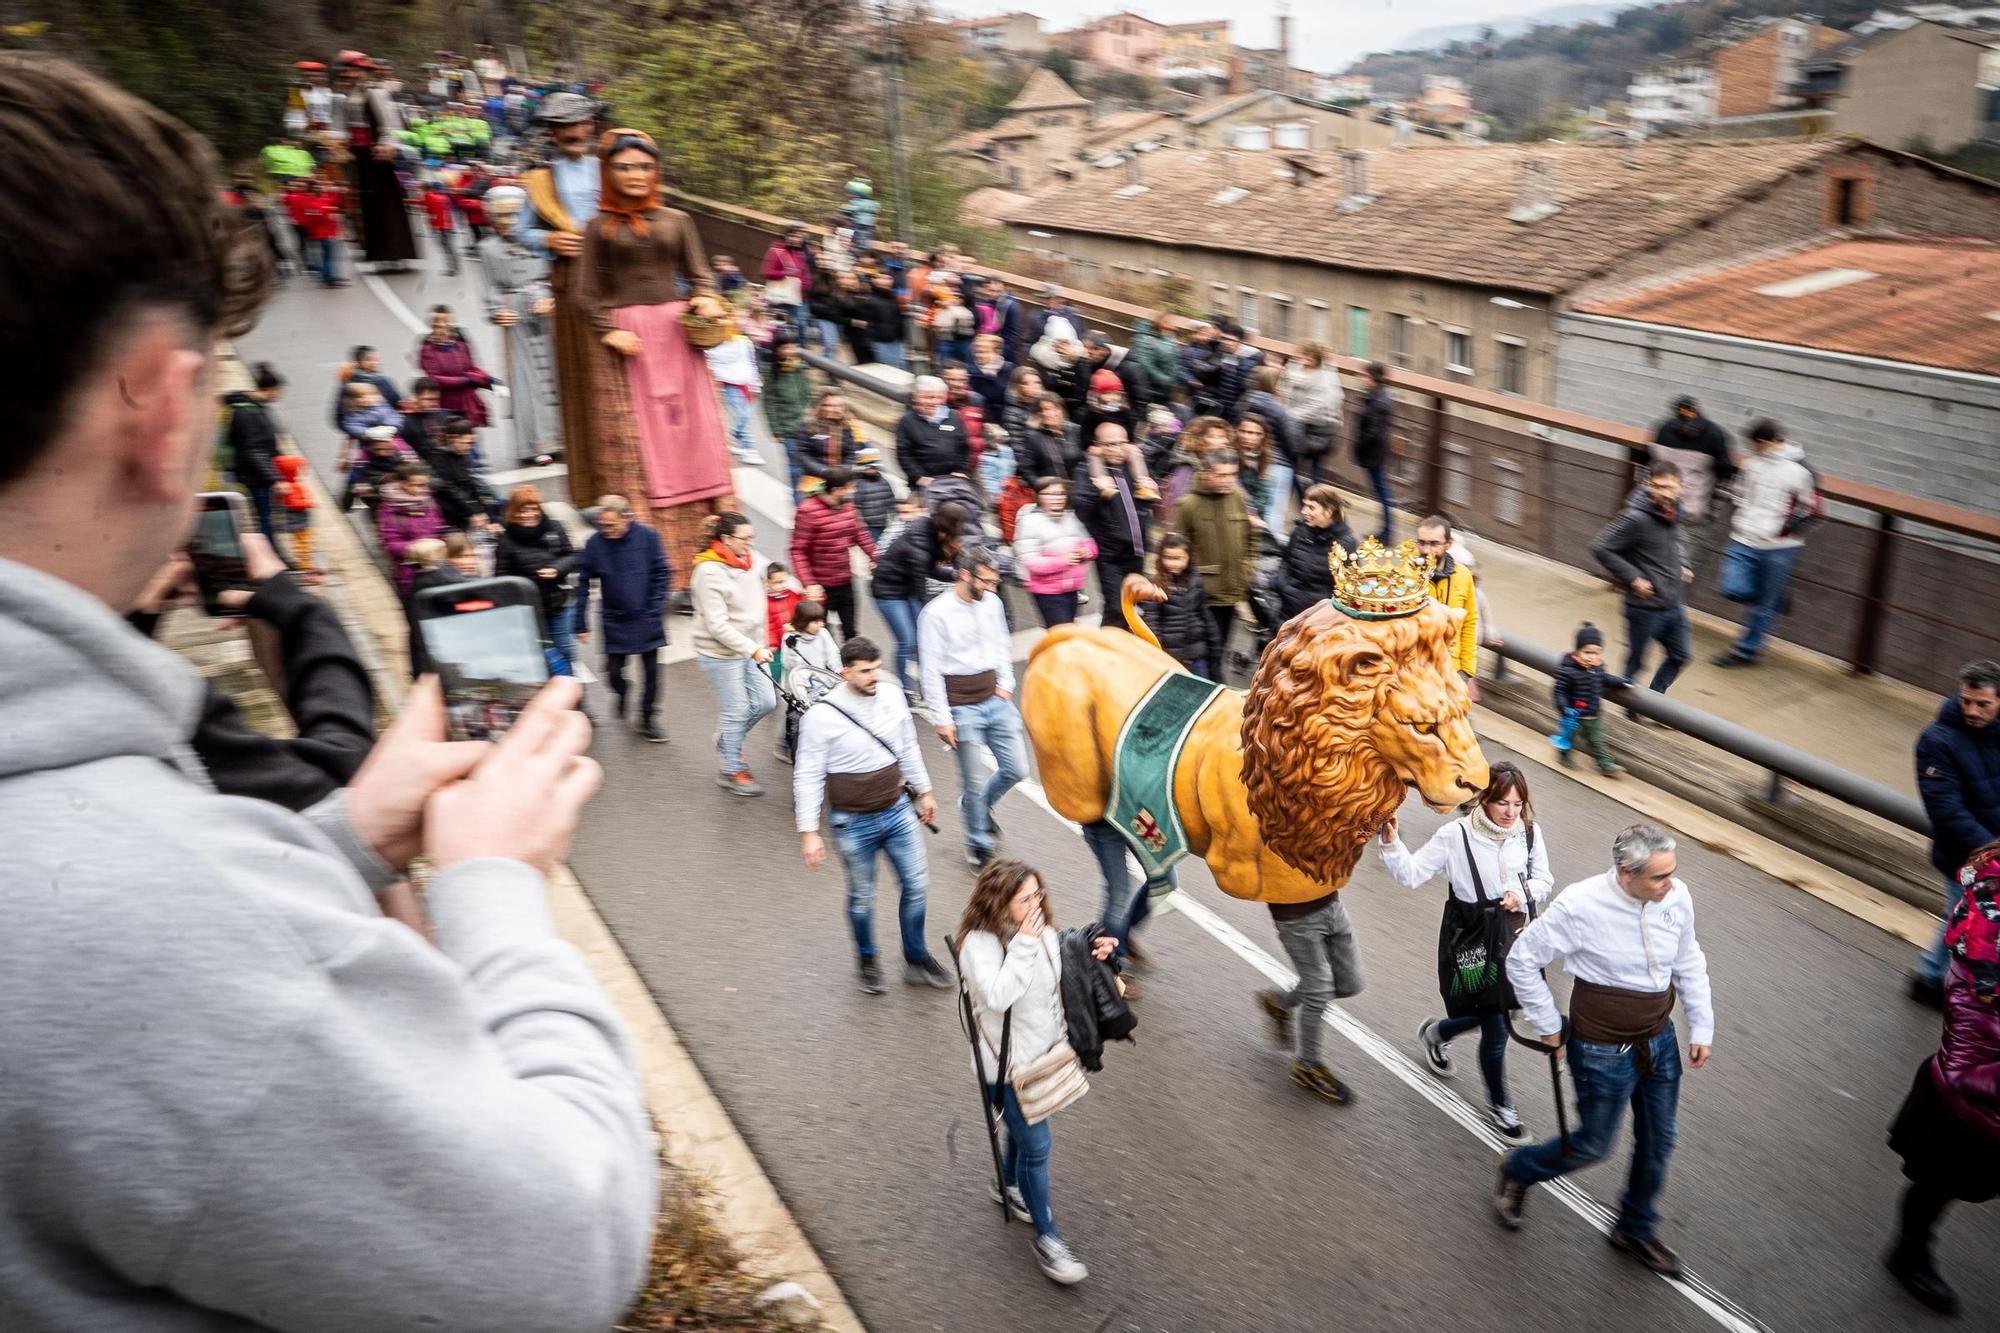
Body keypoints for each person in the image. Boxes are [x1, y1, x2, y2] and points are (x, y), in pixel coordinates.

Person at [0, 53, 655, 1325]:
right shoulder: (147, 921)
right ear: (161, 403)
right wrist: (493, 892)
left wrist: (344, 839)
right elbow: (556, 1253)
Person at [1495, 823, 1715, 1279]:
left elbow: (1688, 958)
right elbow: (1521, 960)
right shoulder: (1580, 905)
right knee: (1594, 1145)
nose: (1669, 884)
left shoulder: (1676, 896)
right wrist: (1547, 1023)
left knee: (1660, 1139)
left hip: (1659, 1041)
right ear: (1625, 872)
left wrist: (1702, 1025)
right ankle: (1520, 1168)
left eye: (1671, 872)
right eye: (1658, 877)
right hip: (1600, 1052)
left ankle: (1634, 1227)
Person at [574, 129, 737, 602]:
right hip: (631, 343)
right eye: (624, 167)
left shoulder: (677, 220)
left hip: (677, 335)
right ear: (608, 172)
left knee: (695, 440)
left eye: (644, 167)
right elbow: (585, 293)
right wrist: (608, 329)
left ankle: (708, 562)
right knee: (644, 452)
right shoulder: (596, 228)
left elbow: (701, 275)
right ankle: (656, 574)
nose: (635, 176)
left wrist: (706, 298)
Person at [955, 860, 1116, 1285]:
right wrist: (1026, 942)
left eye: (1037, 895)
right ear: (998, 903)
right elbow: (998, 996)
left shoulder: (1039, 931)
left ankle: (1007, 1184)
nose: (1035, 905)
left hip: (1044, 1057)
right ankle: (1048, 1239)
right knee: (1038, 1145)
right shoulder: (977, 944)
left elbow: (1061, 957)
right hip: (1007, 1067)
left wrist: (1095, 950)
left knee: (1023, 1132)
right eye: (1024, 899)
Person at [1378, 763, 1554, 1137]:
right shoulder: (1455, 836)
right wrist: (1391, 842)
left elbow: (1544, 880)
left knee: (1499, 1012)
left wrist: (1519, 894)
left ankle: (1438, 1033)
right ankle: (1501, 1104)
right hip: (1472, 936)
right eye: (1503, 803)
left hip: (1514, 938)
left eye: (1518, 803)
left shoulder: (1528, 831)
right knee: (1497, 1025)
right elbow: (1410, 875)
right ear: (1485, 798)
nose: (1511, 812)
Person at [796, 634, 950, 992]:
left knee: (916, 885)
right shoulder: (821, 716)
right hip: (852, 823)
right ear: (845, 672)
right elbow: (808, 774)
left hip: (897, 811)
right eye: (865, 671)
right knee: (862, 896)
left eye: (876, 669)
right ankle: (867, 958)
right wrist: (809, 832)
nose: (873, 677)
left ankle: (916, 958)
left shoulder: (893, 695)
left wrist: (924, 791)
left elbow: (908, 745)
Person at [1885, 837, 2000, 1315]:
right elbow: (1976, 1042)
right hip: (1970, 1101)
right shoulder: (1987, 925)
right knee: (1938, 1186)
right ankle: (1908, 1255)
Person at [520, 91, 605, 497]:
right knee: (580, 370)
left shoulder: (610, 168)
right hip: (571, 278)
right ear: (553, 134)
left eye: (581, 124)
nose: (574, 132)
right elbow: (521, 231)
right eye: (565, 127)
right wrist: (549, 238)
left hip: (615, 271)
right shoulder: (541, 180)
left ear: (591, 127)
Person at [920, 548, 1025, 870]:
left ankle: (975, 807)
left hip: (996, 699)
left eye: (996, 581)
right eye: (988, 581)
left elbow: (1000, 644)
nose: (993, 588)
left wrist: (1006, 685)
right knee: (974, 780)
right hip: (961, 707)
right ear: (965, 575)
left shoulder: (991, 603)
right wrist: (942, 718)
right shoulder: (936, 615)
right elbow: (931, 670)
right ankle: (978, 842)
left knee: (1017, 768)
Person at [1910, 660, 2000, 1006]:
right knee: (1962, 917)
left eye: (1982, 704)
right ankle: (1933, 978)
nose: (1972, 710)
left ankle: (1934, 976)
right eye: (1966, 701)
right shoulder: (1938, 741)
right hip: (1966, 854)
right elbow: (1945, 808)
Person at [1714, 418, 1816, 668]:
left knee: (1763, 608)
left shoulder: (1799, 471)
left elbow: (1809, 506)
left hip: (1778, 546)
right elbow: (1738, 494)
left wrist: (1784, 529)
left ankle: (1745, 652)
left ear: (1760, 442)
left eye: (1752, 444)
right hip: (1743, 537)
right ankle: (1773, 598)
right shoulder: (1750, 466)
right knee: (1732, 588)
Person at [1591, 461, 1694, 705]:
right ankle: (1628, 711)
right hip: (1644, 608)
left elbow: (1675, 541)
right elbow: (1600, 547)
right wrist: (1633, 578)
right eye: (1657, 486)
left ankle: (1654, 703)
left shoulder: (1674, 512)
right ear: (1648, 485)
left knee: (1680, 655)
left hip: (1672, 603)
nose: (1663, 493)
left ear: (1681, 487)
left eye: (1668, 487)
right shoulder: (1636, 518)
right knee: (1635, 665)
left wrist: (1683, 562)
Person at [692, 512, 778, 795]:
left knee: (766, 701)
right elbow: (717, 625)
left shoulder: (749, 563)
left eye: (752, 537)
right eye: (746, 538)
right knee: (736, 709)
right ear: (726, 539)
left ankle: (728, 738)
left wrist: (763, 643)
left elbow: (757, 608)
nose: (750, 543)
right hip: (720, 653)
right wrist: (752, 649)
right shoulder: (708, 573)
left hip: (751, 648)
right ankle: (731, 769)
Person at [477, 185, 563, 467]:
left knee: (559, 376)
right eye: (501, 215)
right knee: (527, 382)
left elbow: (561, 275)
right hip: (517, 316)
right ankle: (536, 443)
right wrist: (495, 311)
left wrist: (553, 296)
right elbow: (488, 287)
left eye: (514, 214)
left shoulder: (543, 240)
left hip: (550, 314)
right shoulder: (487, 248)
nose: (508, 221)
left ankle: (566, 438)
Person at [574, 495, 671, 741]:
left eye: (611, 525)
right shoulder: (595, 543)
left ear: (627, 518)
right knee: (613, 672)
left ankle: (648, 718)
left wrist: (655, 605)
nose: (606, 530)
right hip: (614, 618)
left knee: (652, 674)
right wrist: (580, 621)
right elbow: (583, 581)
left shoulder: (648, 536)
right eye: (602, 525)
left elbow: (663, 571)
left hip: (646, 615)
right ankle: (623, 690)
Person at [334, 52, 419, 269]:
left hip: (377, 154)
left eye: (354, 70)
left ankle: (396, 253)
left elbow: (390, 124)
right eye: (348, 71)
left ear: (364, 72)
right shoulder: (349, 95)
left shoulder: (377, 93)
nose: (350, 75)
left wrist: (388, 144)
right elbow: (346, 126)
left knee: (387, 204)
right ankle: (380, 254)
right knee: (368, 205)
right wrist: (341, 142)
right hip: (360, 156)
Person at [1172, 448, 1258, 660]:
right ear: (1207, 473)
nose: (1227, 481)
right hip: (1202, 597)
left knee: (1219, 650)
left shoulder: (1237, 496)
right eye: (1221, 475)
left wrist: (1245, 571)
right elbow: (1173, 548)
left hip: (1230, 596)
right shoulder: (1188, 505)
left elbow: (1249, 536)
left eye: (1232, 475)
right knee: (1202, 653)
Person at [1072, 423, 1154, 632]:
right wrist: (1097, 488)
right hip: (1110, 557)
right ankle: (1106, 650)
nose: (1116, 449)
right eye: (1109, 445)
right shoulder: (1087, 470)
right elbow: (1081, 507)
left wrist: (1151, 489)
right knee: (1118, 607)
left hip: (1136, 552)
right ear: (1097, 446)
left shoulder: (1133, 467)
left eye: (1121, 444)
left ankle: (1114, 648)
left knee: (1130, 606)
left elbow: (1143, 503)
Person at [1648, 395, 1737, 582]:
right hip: (1693, 515)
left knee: (1652, 567)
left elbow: (1651, 469)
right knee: (1681, 574)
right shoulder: (1715, 435)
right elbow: (1725, 478)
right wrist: (1711, 514)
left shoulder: (1662, 428)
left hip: (1658, 509)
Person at [492, 485, 579, 672]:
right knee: (540, 657)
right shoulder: (506, 541)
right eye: (522, 510)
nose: (528, 514)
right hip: (528, 610)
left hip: (557, 604)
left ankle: (572, 693)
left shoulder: (554, 528)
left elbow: (573, 556)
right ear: (513, 513)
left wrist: (557, 569)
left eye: (533, 509)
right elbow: (501, 579)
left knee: (565, 651)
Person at [789, 465, 877, 644]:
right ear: (836, 490)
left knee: (851, 632)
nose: (854, 491)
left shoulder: (847, 506)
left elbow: (860, 534)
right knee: (822, 636)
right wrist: (809, 584)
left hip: (845, 581)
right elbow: (798, 550)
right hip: (820, 587)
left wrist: (877, 557)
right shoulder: (808, 511)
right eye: (850, 487)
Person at [1013, 476, 1097, 629]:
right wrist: (1064, 561)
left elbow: (1089, 543)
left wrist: (1087, 551)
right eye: (1050, 494)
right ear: (1039, 496)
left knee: (1069, 631)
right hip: (1048, 592)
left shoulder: (1071, 517)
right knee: (1061, 634)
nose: (1057, 498)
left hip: (1072, 588)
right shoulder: (1030, 522)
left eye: (1060, 494)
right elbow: (1030, 561)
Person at [1549, 623, 1627, 775]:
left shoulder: (1598, 668)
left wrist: (1621, 682)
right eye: (1587, 652)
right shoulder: (1568, 670)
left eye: (1597, 652)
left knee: (1597, 741)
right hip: (1574, 716)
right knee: (1569, 738)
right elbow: (1560, 692)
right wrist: (1565, 708)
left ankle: (1605, 765)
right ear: (1577, 651)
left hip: (1594, 714)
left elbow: (1605, 679)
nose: (1592, 657)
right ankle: (1563, 755)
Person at [1140, 533, 1220, 678]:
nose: (1172, 563)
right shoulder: (1156, 586)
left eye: (1178, 558)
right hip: (1171, 657)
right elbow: (1152, 621)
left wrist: (1215, 643)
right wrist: (1159, 651)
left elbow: (1205, 615)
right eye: (1168, 558)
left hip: (1196, 654)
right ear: (1161, 558)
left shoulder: (1195, 581)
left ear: (1188, 558)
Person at [1275, 483, 1359, 621]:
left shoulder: (1345, 544)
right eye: (1304, 505)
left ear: (1329, 511)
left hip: (1317, 620)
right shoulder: (1299, 532)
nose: (1304, 511)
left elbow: (1347, 585)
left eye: (1311, 508)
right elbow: (1286, 561)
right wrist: (1282, 585)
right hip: (1286, 614)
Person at [1416, 515, 1479, 696]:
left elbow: (1470, 621)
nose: (1427, 549)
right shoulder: (1406, 575)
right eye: (1422, 543)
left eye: (1434, 543)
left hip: (1453, 671)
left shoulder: (1463, 575)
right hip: (1417, 673)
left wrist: (1467, 670)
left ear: (1448, 544)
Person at [224, 362, 286, 543]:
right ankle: (271, 555)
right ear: (272, 389)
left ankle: (275, 553)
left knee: (267, 518)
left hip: (258, 472)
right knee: (264, 519)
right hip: (256, 476)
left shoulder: (251, 406)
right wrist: (273, 479)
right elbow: (253, 449)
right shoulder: (248, 413)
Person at [1235, 365, 1296, 533]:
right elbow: (1290, 440)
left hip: (1247, 459)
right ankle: (1269, 547)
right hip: (1277, 462)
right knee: (1274, 512)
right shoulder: (1278, 408)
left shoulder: (1243, 402)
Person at [776, 599, 838, 762]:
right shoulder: (790, 638)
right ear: (803, 621)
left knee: (819, 713)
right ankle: (785, 743)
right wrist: (791, 649)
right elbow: (788, 664)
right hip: (797, 686)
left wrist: (838, 671)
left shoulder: (823, 634)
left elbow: (832, 654)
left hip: (819, 683)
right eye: (815, 622)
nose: (820, 625)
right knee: (795, 715)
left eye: (821, 620)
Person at [417, 305, 495, 430]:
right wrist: (464, 380)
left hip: (466, 404)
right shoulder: (427, 348)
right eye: (437, 327)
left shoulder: (461, 344)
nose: (440, 333)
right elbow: (433, 378)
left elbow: (472, 368)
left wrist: (487, 379)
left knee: (468, 441)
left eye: (445, 327)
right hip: (445, 405)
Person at [377, 462, 447, 595]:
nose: (424, 490)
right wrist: (417, 549)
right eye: (418, 485)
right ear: (403, 484)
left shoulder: (429, 501)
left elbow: (440, 527)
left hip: (439, 565)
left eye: (425, 485)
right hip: (411, 573)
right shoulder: (390, 508)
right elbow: (390, 544)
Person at [705, 314, 765, 466]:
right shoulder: (713, 345)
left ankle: (731, 437)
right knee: (742, 416)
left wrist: (755, 383)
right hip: (729, 383)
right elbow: (712, 363)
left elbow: (751, 363)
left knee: (745, 417)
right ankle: (749, 448)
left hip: (747, 382)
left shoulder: (744, 342)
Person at [1283, 340, 1343, 490]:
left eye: (1305, 356)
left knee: (1310, 468)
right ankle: (1307, 501)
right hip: (1300, 425)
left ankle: (1314, 502)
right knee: (1291, 467)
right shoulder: (1294, 370)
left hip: (1318, 427)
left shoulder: (1324, 377)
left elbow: (1320, 405)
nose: (1301, 359)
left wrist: (1289, 415)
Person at [789, 388, 868, 501]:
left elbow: (852, 452)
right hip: (814, 481)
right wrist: (824, 471)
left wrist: (842, 472)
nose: (836, 409)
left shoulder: (849, 426)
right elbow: (802, 454)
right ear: (820, 406)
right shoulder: (806, 425)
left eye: (839, 406)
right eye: (831, 405)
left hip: (841, 483)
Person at [895, 375, 970, 491]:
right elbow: (904, 454)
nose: (933, 402)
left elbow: (964, 447)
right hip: (924, 485)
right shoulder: (907, 421)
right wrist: (919, 477)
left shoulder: (954, 416)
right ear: (915, 398)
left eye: (937, 397)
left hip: (952, 482)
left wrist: (960, 470)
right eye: (927, 397)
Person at [430, 415, 495, 533]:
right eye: (466, 443)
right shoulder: (439, 458)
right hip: (452, 510)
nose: (470, 447)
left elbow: (474, 485)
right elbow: (451, 490)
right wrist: (474, 511)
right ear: (453, 439)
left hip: (467, 506)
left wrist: (483, 510)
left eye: (471, 443)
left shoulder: (463, 456)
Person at [1355, 361, 1395, 542]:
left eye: (1364, 376)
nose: (1360, 379)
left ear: (1373, 379)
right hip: (1375, 452)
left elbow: (1373, 432)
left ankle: (1387, 532)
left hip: (1374, 453)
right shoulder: (1376, 397)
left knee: (1382, 492)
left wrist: (1360, 446)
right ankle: (1386, 530)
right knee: (1381, 490)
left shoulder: (1378, 401)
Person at [284, 172, 346, 287]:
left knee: (323, 255)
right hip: (326, 233)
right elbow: (329, 216)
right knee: (328, 257)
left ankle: (325, 275)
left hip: (317, 232)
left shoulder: (311, 203)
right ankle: (328, 278)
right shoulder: (321, 204)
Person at [762, 339, 813, 466]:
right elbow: (769, 403)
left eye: (793, 347)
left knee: (810, 464)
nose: (790, 351)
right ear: (778, 351)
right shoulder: (772, 374)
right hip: (788, 429)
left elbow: (809, 395)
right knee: (795, 465)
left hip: (807, 427)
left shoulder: (800, 369)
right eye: (785, 348)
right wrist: (776, 430)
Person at [760, 223, 813, 340]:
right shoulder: (778, 250)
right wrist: (785, 273)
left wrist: (806, 287)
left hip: (799, 297)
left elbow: (804, 273)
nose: (795, 239)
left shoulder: (803, 252)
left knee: (800, 327)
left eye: (798, 236)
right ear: (786, 236)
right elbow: (766, 272)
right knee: (782, 327)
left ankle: (799, 354)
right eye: (792, 236)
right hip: (782, 296)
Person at [273, 452, 318, 578]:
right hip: (298, 522)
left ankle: (306, 565)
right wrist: (308, 503)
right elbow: (293, 503)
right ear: (290, 472)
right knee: (303, 545)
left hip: (299, 521)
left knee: (304, 544)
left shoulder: (289, 484)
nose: (301, 472)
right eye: (298, 470)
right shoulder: (289, 487)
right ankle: (306, 569)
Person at [861, 268, 906, 369]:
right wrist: (869, 342)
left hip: (897, 340)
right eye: (881, 278)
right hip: (881, 341)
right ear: (875, 280)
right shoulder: (870, 300)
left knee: (900, 366)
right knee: (888, 369)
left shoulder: (894, 298)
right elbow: (868, 323)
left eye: (888, 278)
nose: (885, 281)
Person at [852, 445, 898, 542]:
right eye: (869, 467)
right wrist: (859, 523)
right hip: (868, 526)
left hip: (883, 523)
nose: (872, 469)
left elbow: (890, 499)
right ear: (862, 467)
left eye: (874, 467)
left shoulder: (884, 481)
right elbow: (855, 505)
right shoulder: (858, 484)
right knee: (875, 550)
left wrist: (894, 513)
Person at [764, 561, 801, 677]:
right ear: (768, 583)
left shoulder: (793, 595)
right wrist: (773, 642)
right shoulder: (766, 602)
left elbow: (803, 610)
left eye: (784, 581)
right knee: (776, 670)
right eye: (778, 582)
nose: (783, 585)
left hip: (794, 639)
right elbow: (769, 624)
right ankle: (773, 689)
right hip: (778, 644)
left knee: (796, 668)